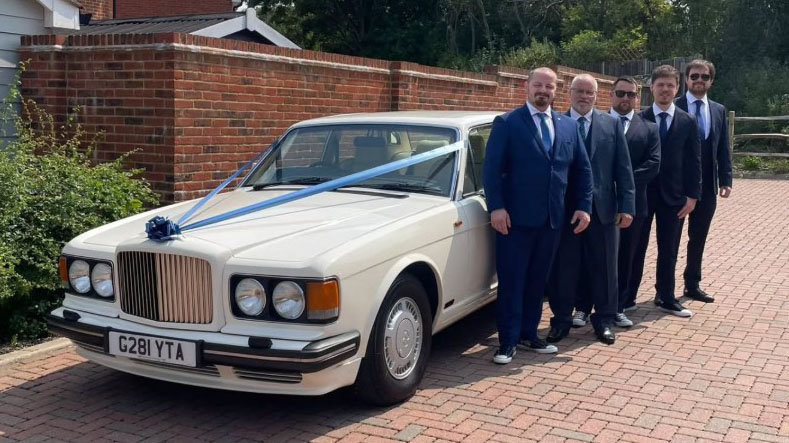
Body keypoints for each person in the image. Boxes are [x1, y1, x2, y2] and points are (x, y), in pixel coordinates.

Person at [483, 67, 593, 364]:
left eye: (550, 86)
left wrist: (584, 205)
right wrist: (497, 207)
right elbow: (491, 170)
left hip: (553, 221)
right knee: (513, 281)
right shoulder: (507, 123)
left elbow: (582, 169)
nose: (543, 91)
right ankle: (507, 341)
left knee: (537, 281)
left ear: (556, 90)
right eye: (538, 85)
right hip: (514, 221)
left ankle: (529, 334)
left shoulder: (567, 126)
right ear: (526, 87)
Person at [548, 74, 635, 345]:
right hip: (565, 210)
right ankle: (561, 320)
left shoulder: (611, 124)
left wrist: (627, 205)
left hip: (604, 210)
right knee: (565, 267)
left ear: (597, 96)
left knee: (606, 267)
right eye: (580, 91)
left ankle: (604, 319)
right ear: (569, 93)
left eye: (590, 93)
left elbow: (623, 168)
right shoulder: (556, 123)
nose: (584, 97)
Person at [632, 65, 701, 317]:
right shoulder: (639, 119)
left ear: (677, 89)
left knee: (669, 248)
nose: (665, 89)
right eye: (660, 85)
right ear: (652, 88)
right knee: (635, 247)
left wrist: (693, 196)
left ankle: (666, 296)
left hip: (675, 198)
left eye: (670, 85)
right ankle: (627, 297)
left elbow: (695, 162)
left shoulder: (687, 121)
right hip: (643, 195)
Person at [675, 59, 733, 303]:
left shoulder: (718, 110)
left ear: (711, 81)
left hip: (707, 186)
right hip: (677, 186)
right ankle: (664, 290)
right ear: (686, 79)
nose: (699, 81)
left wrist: (726, 178)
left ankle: (692, 284)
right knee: (670, 240)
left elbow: (723, 148)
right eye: (694, 76)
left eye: (704, 77)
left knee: (698, 237)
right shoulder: (674, 106)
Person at [610, 76, 661, 326]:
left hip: (634, 203)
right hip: (599, 203)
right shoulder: (597, 123)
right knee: (595, 255)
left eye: (631, 94)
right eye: (621, 93)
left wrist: (621, 182)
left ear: (638, 97)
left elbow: (653, 164)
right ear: (611, 95)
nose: (625, 99)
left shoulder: (649, 127)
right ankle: (585, 306)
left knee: (628, 255)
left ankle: (620, 305)